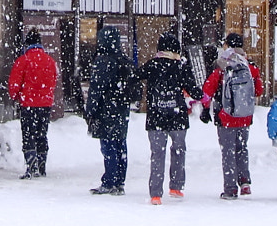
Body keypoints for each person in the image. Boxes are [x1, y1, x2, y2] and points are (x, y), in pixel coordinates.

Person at [201, 33, 263, 199]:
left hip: (226, 116)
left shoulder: (222, 65)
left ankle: (230, 189)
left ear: (227, 45)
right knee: (242, 148)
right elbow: (259, 91)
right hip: (244, 116)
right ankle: (245, 183)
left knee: (228, 151)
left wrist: (205, 108)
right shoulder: (250, 67)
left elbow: (208, 90)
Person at [138, 31, 196, 204]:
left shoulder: (152, 64)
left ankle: (156, 193)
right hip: (177, 116)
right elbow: (193, 89)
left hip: (156, 116)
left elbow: (134, 76)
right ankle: (176, 186)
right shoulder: (181, 66)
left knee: (158, 153)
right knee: (178, 149)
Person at [84, 24, 134, 195]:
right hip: (122, 109)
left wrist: (89, 110)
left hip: (106, 109)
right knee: (121, 144)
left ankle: (109, 181)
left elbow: (95, 89)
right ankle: (119, 181)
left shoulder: (103, 61)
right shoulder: (125, 60)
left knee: (108, 145)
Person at [5, 28, 57, 179]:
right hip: (45, 104)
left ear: (27, 44)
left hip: (28, 104)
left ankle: (31, 166)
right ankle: (42, 166)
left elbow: (14, 84)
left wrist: (15, 96)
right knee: (42, 135)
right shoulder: (49, 61)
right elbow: (53, 81)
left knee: (28, 135)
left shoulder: (23, 60)